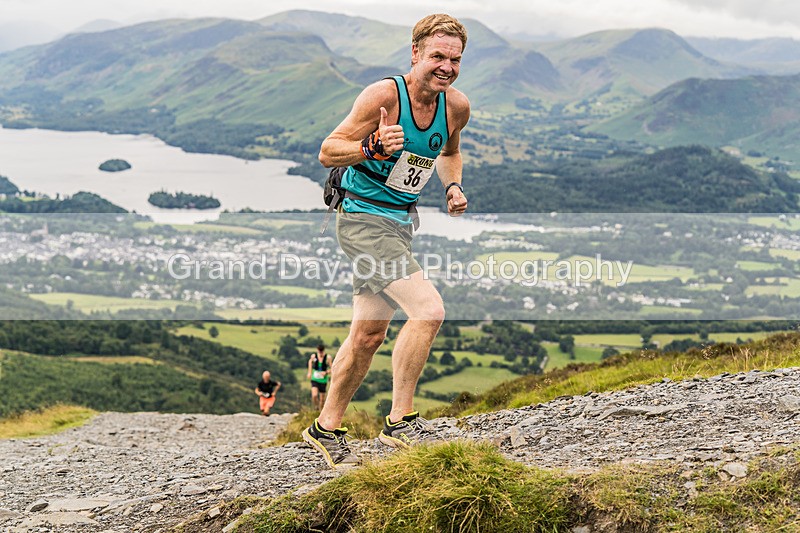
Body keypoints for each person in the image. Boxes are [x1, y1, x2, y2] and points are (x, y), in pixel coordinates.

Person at [302, 13, 470, 469]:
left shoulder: (455, 107)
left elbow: (449, 153)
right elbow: (328, 149)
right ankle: (401, 422)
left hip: (399, 224)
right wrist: (372, 147)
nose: (446, 67)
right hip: (361, 220)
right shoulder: (383, 96)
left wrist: (451, 186)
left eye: (455, 59)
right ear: (415, 53)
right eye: (437, 56)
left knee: (368, 335)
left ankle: (325, 427)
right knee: (429, 311)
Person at [307, 344, 331, 410]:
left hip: (323, 380)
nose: (320, 353)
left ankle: (320, 412)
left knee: (322, 399)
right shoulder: (314, 356)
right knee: (314, 395)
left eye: (321, 352)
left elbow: (332, 368)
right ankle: (316, 407)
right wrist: (309, 372)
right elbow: (310, 362)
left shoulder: (328, 358)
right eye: (319, 352)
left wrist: (326, 372)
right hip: (315, 378)